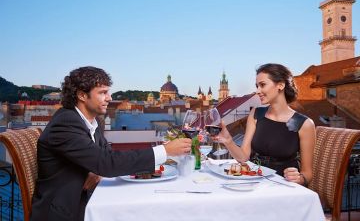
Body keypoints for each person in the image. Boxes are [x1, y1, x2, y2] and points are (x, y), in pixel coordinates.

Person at [30, 66, 192, 221]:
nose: (110, 98)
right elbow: (107, 162)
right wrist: (165, 150)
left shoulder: (89, 121)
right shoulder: (66, 123)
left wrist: (99, 169)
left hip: (83, 199)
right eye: (103, 93)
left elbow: (104, 157)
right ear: (82, 95)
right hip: (65, 211)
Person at [214, 63, 315, 186]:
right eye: (257, 86)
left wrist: (299, 178)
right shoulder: (256, 114)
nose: (257, 91)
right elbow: (243, 157)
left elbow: (308, 174)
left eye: (262, 85)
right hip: (254, 181)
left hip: (283, 186)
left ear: (280, 85)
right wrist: (228, 140)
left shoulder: (305, 124)